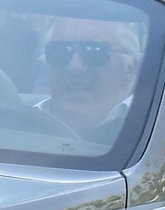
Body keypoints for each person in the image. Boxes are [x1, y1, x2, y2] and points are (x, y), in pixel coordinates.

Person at [39, 22, 144, 150]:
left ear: (129, 69)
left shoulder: (153, 132)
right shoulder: (15, 124)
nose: (74, 66)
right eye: (60, 50)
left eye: (95, 51)